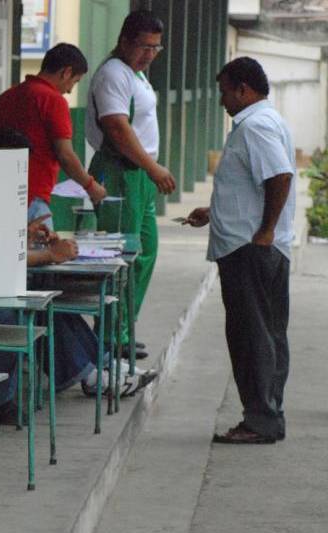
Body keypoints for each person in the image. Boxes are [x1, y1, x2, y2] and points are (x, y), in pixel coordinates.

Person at [0, 124, 153, 424]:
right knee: (20, 312)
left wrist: (26, 237)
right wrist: (50, 255)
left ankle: (99, 368)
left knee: (46, 302)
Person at [185, 57, 294, 444]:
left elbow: (279, 176)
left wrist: (265, 231)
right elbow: (251, 185)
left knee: (252, 336)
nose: (221, 101)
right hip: (256, 245)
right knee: (267, 333)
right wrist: (214, 211)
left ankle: (260, 420)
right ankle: (269, 415)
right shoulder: (265, 121)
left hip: (250, 249)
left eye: (225, 92)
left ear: (243, 90)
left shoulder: (256, 126)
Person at [86, 10, 177, 360]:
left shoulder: (135, 74)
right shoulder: (113, 74)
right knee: (121, 256)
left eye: (156, 48)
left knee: (145, 252)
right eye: (144, 46)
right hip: (121, 171)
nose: (150, 54)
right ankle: (111, 336)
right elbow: (117, 127)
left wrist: (149, 170)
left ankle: (124, 328)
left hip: (139, 176)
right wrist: (152, 167)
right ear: (124, 41)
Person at [0, 42, 107, 230]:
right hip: (34, 198)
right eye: (74, 81)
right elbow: (65, 154)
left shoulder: (6, 97)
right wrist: (90, 186)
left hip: (0, 193)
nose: (70, 90)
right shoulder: (53, 100)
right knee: (43, 247)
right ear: (66, 72)